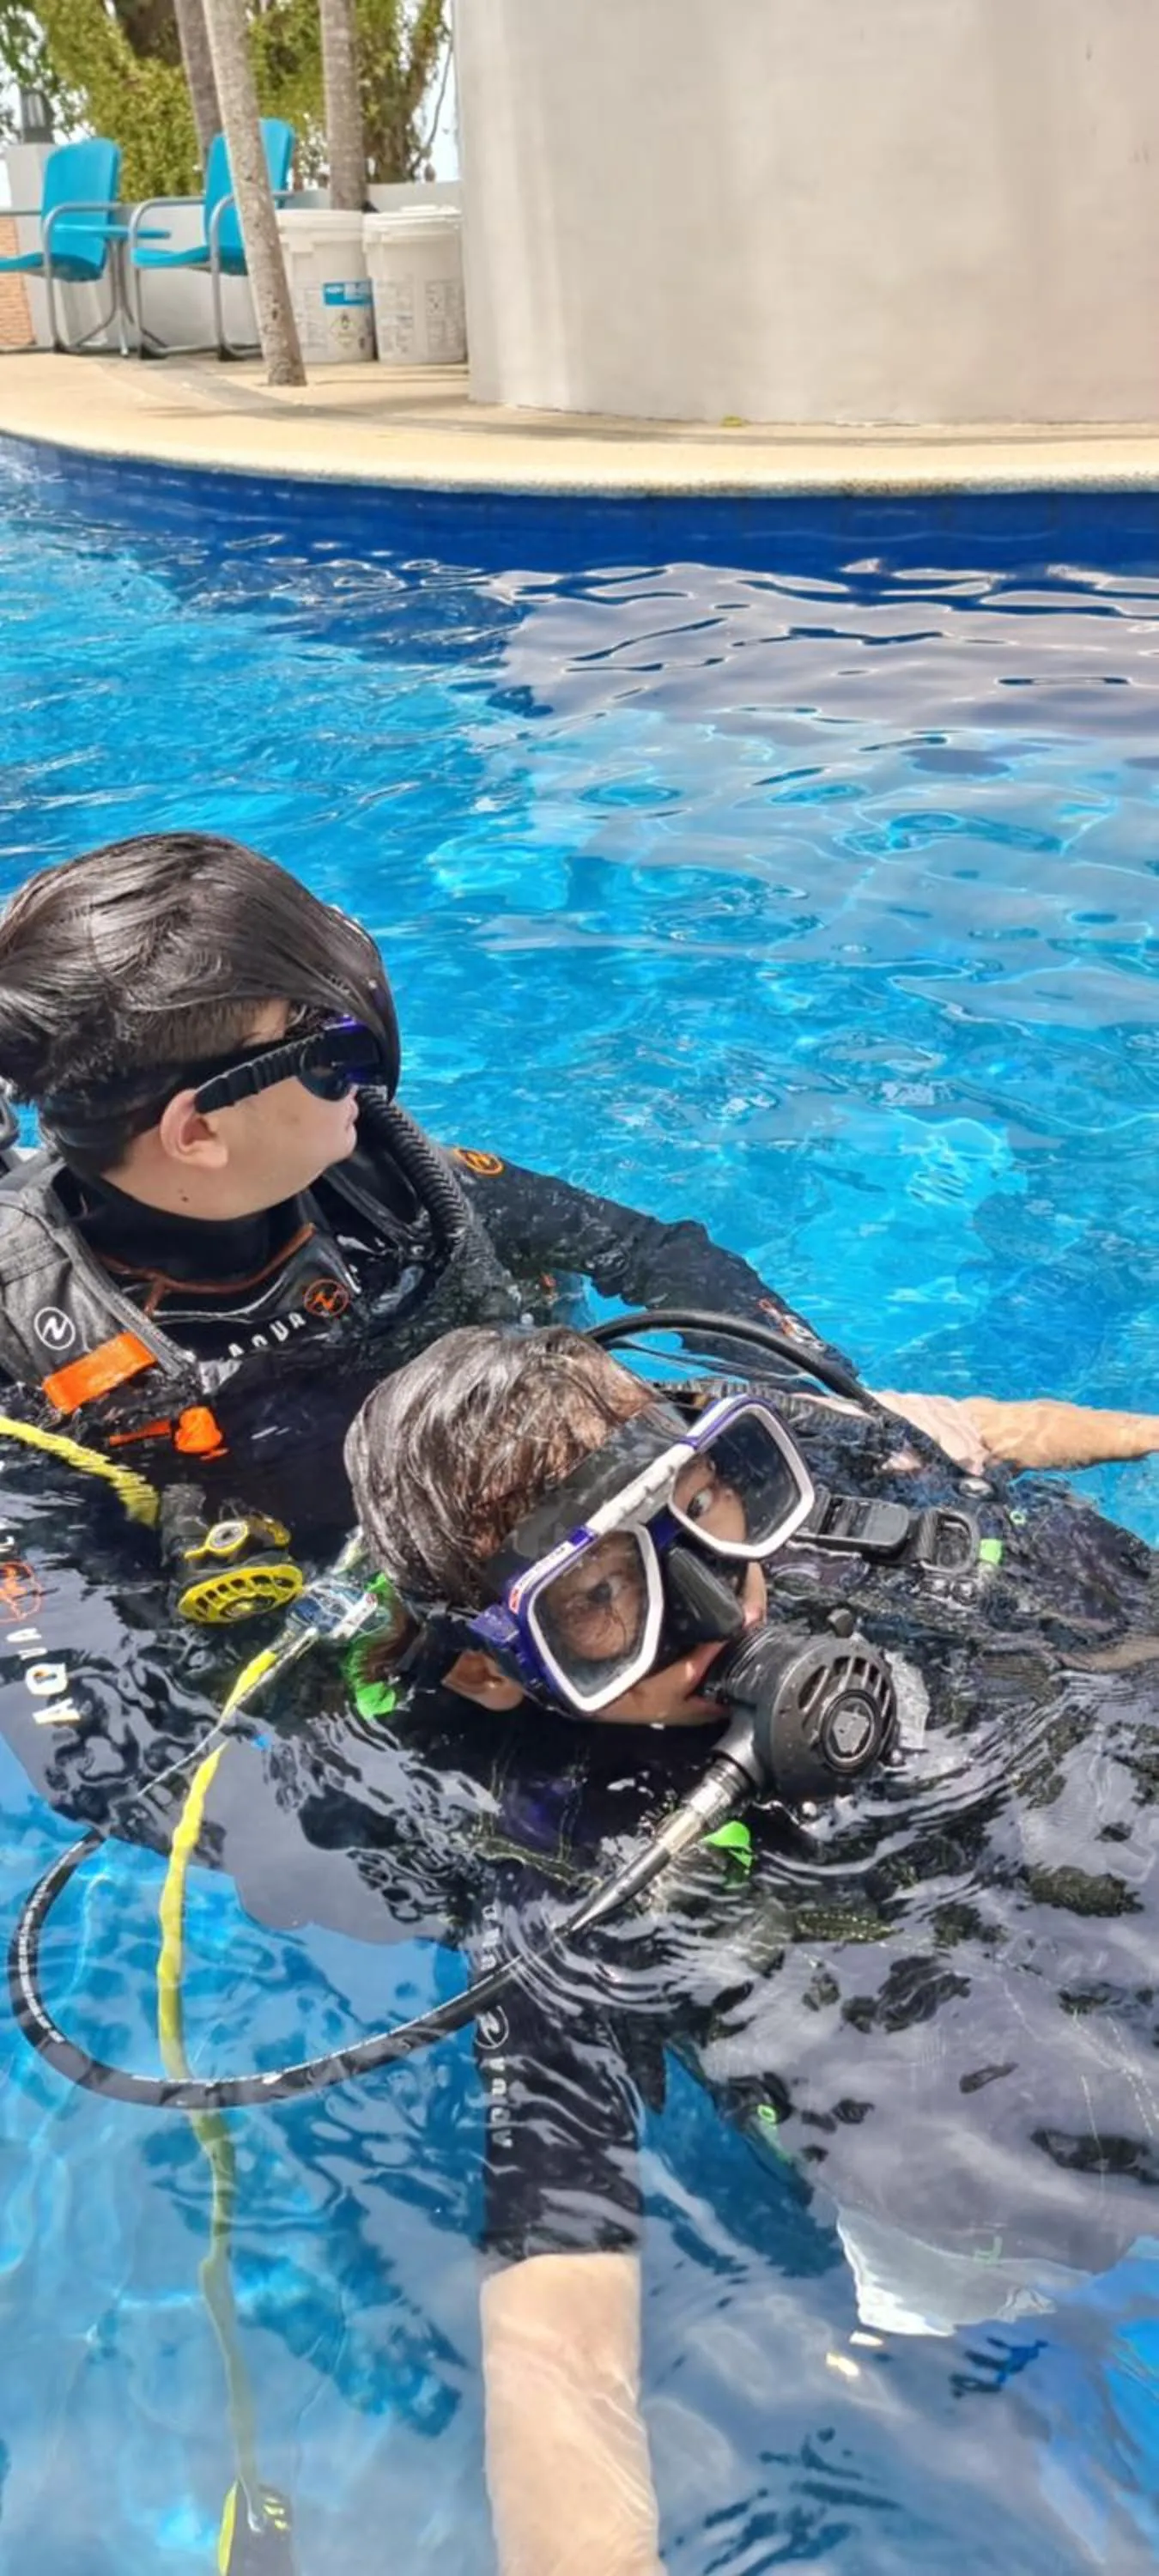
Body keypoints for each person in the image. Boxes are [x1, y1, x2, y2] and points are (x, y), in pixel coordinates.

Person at [3, 1315, 1159, 2572]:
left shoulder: (825, 1534)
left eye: (705, 1507)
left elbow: (957, 1430)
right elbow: (557, 2344)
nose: (717, 1602)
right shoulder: (560, 1874)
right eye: (600, 1598)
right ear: (494, 1672)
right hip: (987, 2170)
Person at [0, 831, 1156, 1574]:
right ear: (198, 1131)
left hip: (585, 1469)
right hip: (412, 1593)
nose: (371, 1082)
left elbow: (649, 1252)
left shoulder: (382, 1178)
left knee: (929, 1463)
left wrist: (815, 1391)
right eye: (332, 1054)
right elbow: (87, 1668)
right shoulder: (29, 1354)